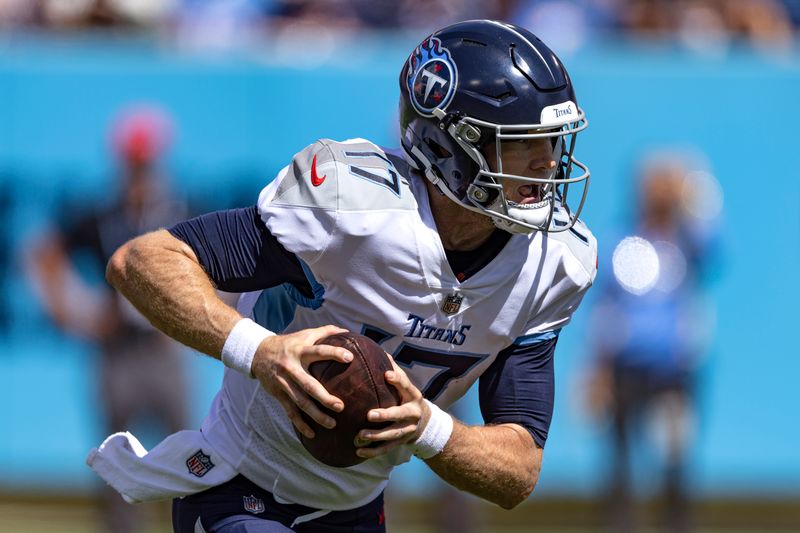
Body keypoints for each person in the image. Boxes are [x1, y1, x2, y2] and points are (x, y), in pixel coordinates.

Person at [87, 20, 597, 532]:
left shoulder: (555, 261)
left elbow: (520, 468)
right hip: (241, 485)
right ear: (449, 146)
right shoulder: (353, 205)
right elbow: (141, 261)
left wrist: (428, 428)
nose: (547, 164)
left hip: (357, 512)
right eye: (522, 144)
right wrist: (260, 352)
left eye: (552, 143)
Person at [33, 105, 190, 533]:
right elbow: (43, 253)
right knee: (114, 460)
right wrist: (74, 313)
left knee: (191, 456)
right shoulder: (102, 214)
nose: (139, 170)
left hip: (164, 347)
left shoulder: (179, 209)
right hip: (116, 351)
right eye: (134, 162)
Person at [586, 151, 720, 533]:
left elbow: (714, 245)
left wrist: (693, 188)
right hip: (626, 370)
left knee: (675, 461)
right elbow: (604, 311)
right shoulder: (619, 242)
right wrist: (597, 370)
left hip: (673, 373)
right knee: (619, 464)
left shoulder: (687, 242)